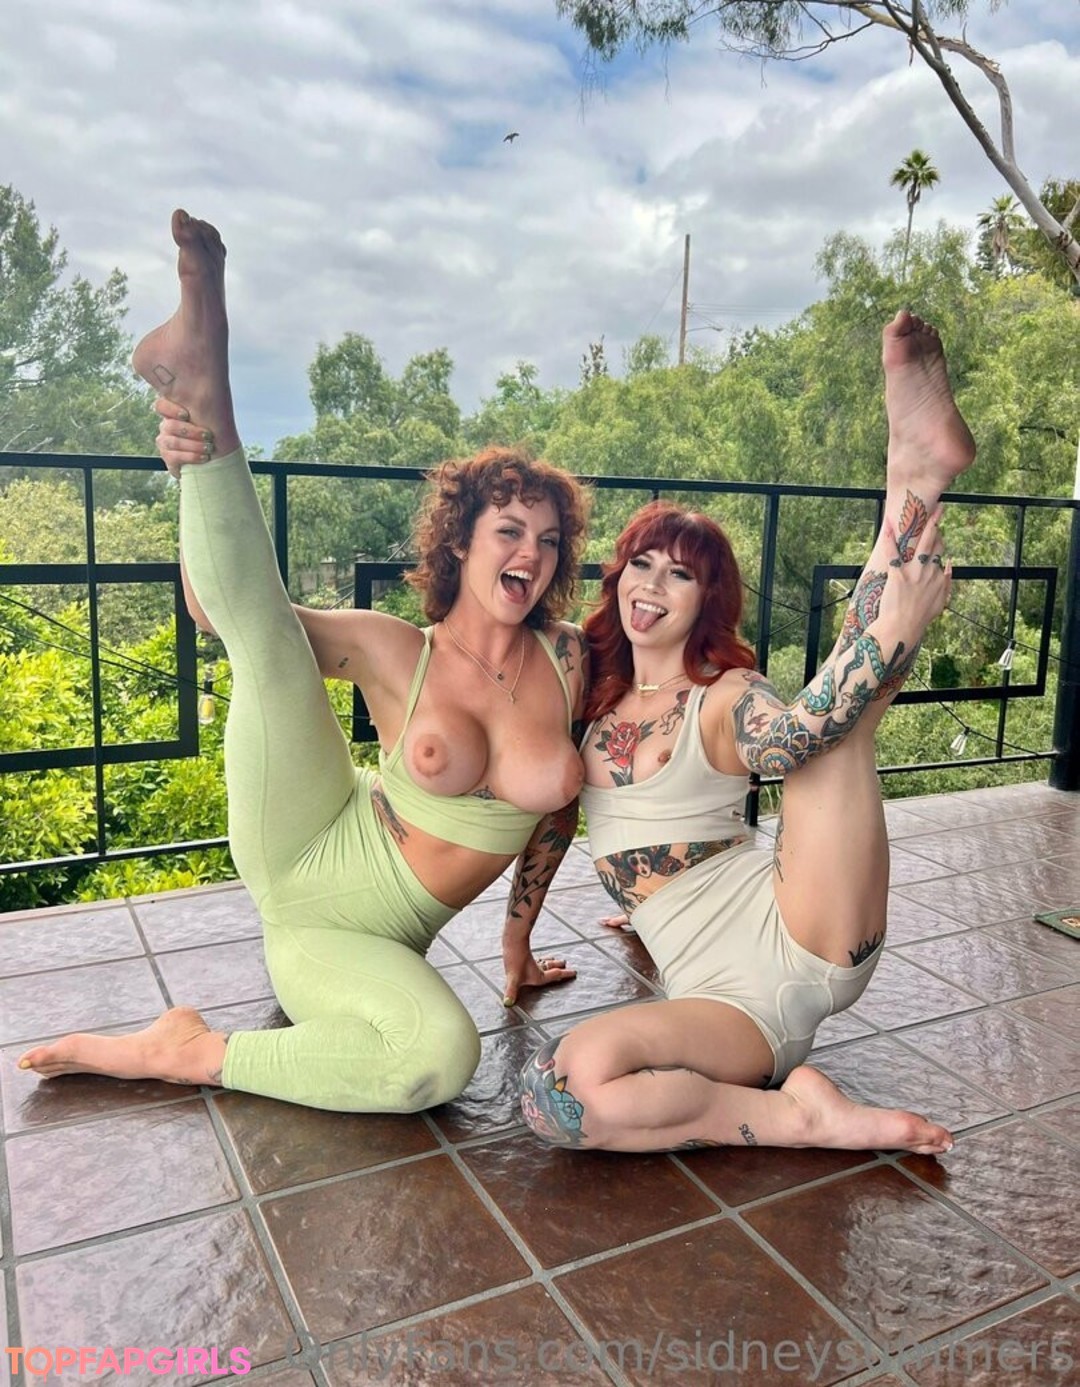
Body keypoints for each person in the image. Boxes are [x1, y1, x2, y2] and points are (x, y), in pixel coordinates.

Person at [19, 209, 589, 1112]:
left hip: (355, 944)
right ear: (461, 543)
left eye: (549, 540)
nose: (532, 553)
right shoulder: (394, 648)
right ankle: (207, 397)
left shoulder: (566, 659)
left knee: (438, 1057)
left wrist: (515, 945)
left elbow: (559, 813)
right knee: (273, 643)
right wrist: (188, 477)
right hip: (306, 849)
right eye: (510, 531)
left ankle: (192, 1048)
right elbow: (226, 613)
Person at [509, 310, 972, 1155]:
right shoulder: (589, 694)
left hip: (799, 922)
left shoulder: (725, 696)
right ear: (618, 577)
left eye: (680, 575)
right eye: (642, 564)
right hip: (729, 1007)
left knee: (823, 742)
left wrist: (893, 634)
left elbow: (793, 739)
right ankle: (804, 1115)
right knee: (557, 1092)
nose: (652, 585)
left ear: (706, 601)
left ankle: (914, 478)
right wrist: (522, 939)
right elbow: (554, 820)